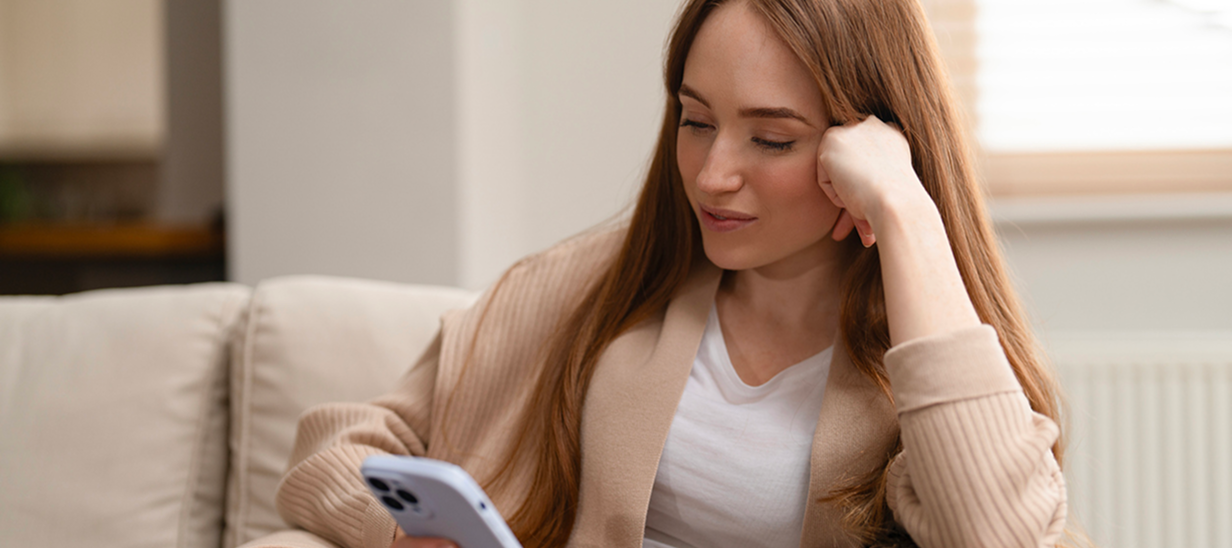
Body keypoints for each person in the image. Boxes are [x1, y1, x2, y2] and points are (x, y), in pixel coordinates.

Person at [273, 0, 1073, 547]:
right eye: (695, 121)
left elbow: (998, 534)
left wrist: (906, 210)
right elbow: (339, 446)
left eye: (771, 139)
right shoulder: (589, 287)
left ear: (865, 148)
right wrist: (401, 534)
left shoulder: (925, 359)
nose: (712, 174)